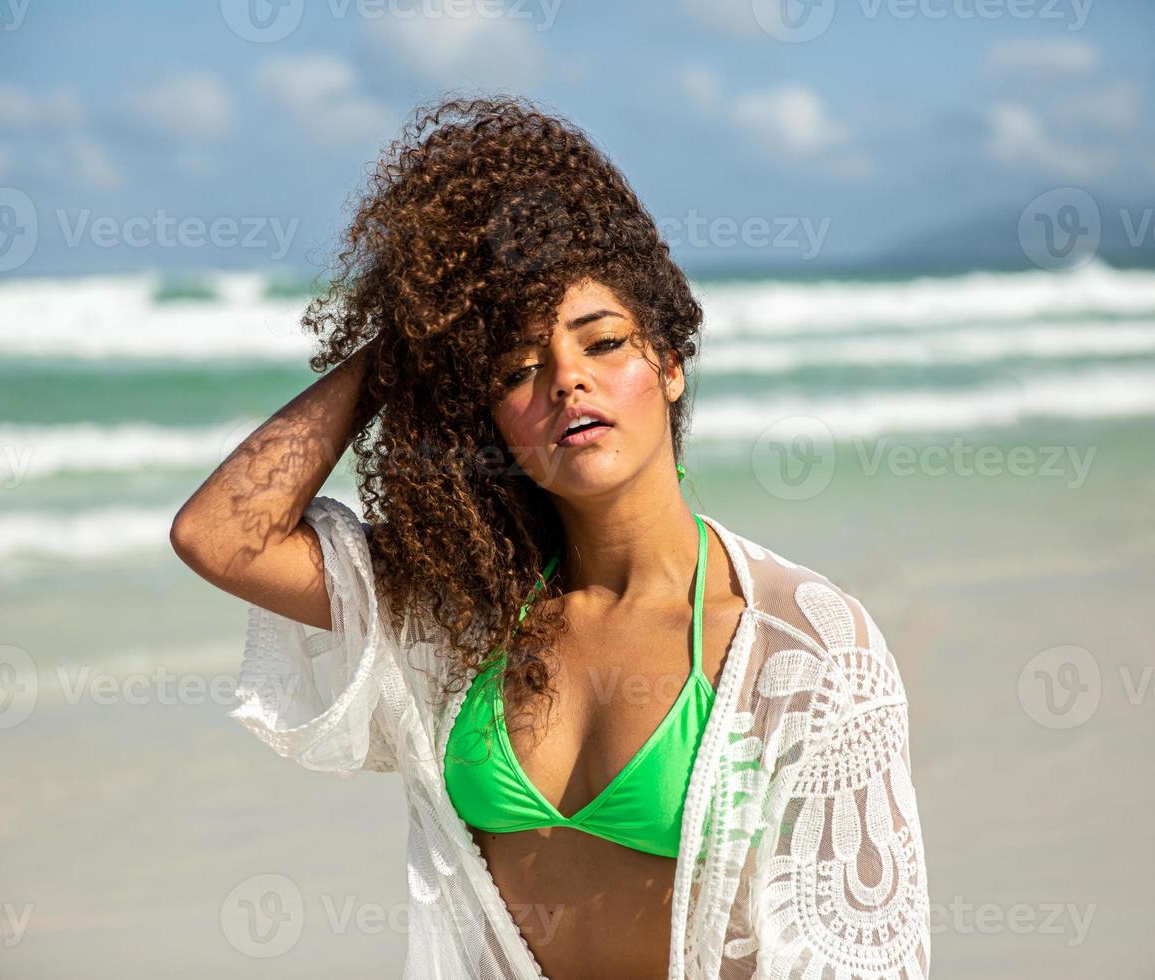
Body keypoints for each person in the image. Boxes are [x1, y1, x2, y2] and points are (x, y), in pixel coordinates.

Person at [170, 94, 930, 979]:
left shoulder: (802, 645)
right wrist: (411, 342)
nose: (567, 380)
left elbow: (865, 953)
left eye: (603, 343)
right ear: (486, 416)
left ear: (671, 364)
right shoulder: (466, 615)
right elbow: (222, 533)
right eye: (517, 369)